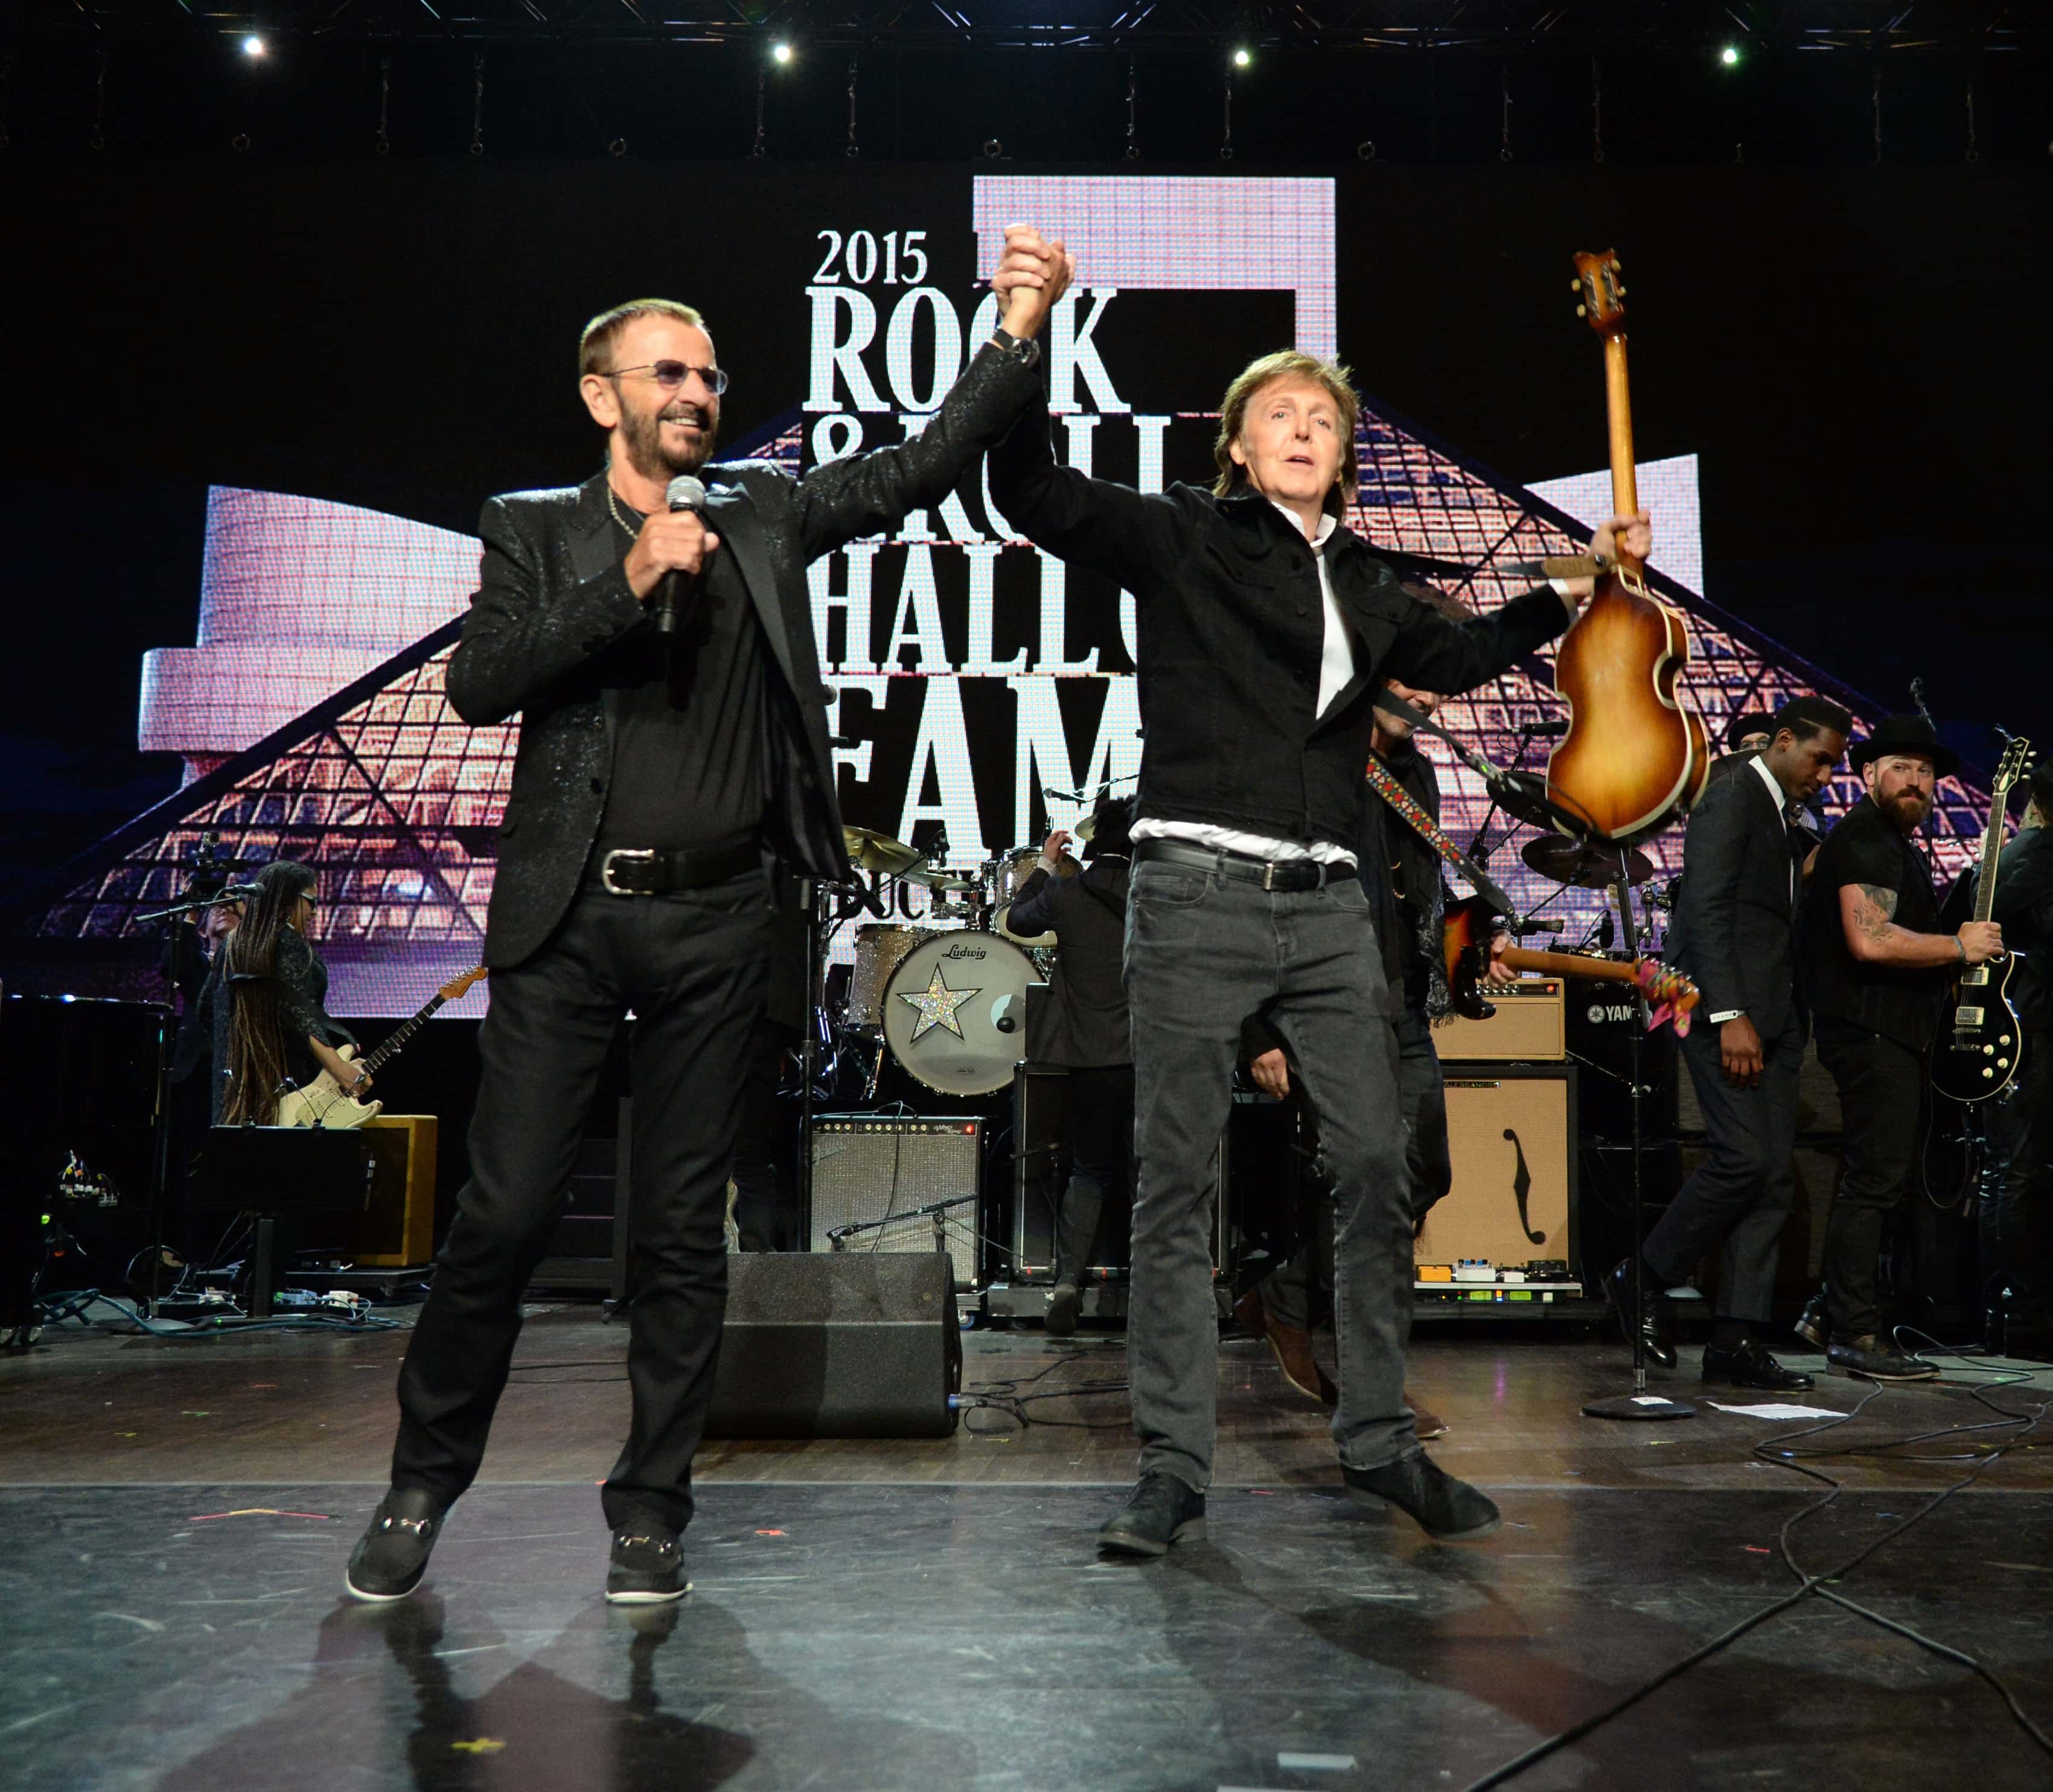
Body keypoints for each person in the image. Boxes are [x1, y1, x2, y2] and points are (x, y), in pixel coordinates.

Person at [345, 238, 1070, 1605]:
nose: (695, 389)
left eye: (708, 373)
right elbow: (481, 684)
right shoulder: (534, 526)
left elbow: (918, 463)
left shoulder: (765, 514)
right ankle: (420, 1486)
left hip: (721, 922)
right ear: (597, 394)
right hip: (568, 923)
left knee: (683, 1234)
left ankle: (652, 1505)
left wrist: (1018, 322)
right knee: (498, 1220)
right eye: (664, 372)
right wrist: (624, 583)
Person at [988, 299, 1647, 1555]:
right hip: (1190, 892)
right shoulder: (1180, 535)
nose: (1303, 428)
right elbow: (1030, 490)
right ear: (1234, 446)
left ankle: (1378, 1440)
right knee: (1172, 1187)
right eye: (1278, 415)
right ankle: (1172, 1469)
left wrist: (1572, 586)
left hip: (1329, 906)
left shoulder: (1365, 580)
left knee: (1380, 1167)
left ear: (1341, 454)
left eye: (1322, 419)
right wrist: (1020, 342)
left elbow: (1458, 657)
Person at [1236, 664, 1513, 1440]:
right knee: (1373, 1187)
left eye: (1437, 688)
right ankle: (1373, 1393)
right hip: (1323, 1010)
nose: (1427, 700)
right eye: (1413, 681)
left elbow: (1418, 890)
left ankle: (1288, 1293)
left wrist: (1469, 942)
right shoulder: (1309, 756)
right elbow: (1254, 897)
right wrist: (1256, 1028)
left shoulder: (1414, 772)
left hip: (1399, 1008)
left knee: (1427, 1171)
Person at [1607, 695, 1850, 1388]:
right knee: (1741, 1161)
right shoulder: (1730, 794)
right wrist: (1728, 1013)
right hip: (1732, 1016)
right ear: (1781, 740)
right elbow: (1703, 912)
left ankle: (1733, 1341)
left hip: (1775, 1017)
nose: (1825, 774)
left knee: (1772, 1179)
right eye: (1819, 759)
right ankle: (1640, 1273)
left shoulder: (1779, 810)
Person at [1799, 715, 2003, 1380]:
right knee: (1872, 1180)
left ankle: (1828, 1310)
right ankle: (1853, 1332)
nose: (1913, 779)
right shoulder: (1864, 839)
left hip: (1889, 1032)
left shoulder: (1890, 840)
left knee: (1877, 1180)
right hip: (1870, 1033)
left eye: (1923, 770)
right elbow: (1869, 938)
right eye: (1898, 766)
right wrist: (1956, 947)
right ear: (1867, 775)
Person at [1003, 791, 1136, 1337]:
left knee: (1089, 1169)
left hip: (1087, 1058)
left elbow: (1017, 920)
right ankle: (1159, 1292)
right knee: (1152, 1175)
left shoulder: (1066, 892)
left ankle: (1065, 1285)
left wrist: (1043, 867)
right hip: (1147, 1057)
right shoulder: (1154, 894)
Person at [1976, 757, 2053, 1359]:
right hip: (2028, 1039)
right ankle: (2014, 1310)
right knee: (2017, 1167)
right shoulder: (2030, 853)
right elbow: (1970, 912)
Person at [210, 861, 362, 1126]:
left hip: (237, 1091)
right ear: (288, 899)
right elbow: (298, 1016)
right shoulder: (290, 943)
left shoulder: (232, 944)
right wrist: (341, 1071)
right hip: (290, 1088)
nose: (314, 912)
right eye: (310, 902)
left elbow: (206, 1010)